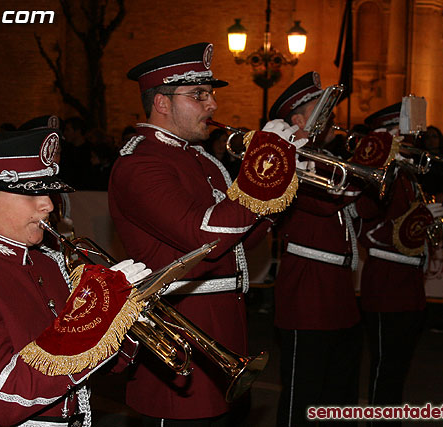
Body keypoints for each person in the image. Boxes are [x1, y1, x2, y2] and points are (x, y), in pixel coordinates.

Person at [108, 42, 302, 426]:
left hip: (223, 329)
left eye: (209, 94)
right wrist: (262, 171)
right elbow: (204, 236)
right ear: (162, 102)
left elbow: (237, 245)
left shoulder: (200, 159)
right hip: (181, 330)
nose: (212, 105)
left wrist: (279, 181)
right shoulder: (141, 163)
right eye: (198, 95)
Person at [0, 128, 150, 426]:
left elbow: (106, 366)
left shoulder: (49, 262)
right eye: (32, 192)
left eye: (47, 192)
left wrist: (122, 321)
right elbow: (3, 399)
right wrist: (92, 319)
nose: (49, 205)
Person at [268, 71, 364, 426]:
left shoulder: (322, 155)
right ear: (296, 119)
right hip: (307, 285)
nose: (331, 116)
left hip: (338, 284)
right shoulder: (287, 157)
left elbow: (362, 212)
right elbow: (324, 202)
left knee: (339, 392)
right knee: (303, 393)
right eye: (320, 108)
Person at [354, 106, 441, 425]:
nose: (409, 138)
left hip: (409, 280)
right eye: (401, 133)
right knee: (385, 368)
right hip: (387, 280)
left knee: (399, 365)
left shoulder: (406, 172)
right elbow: (364, 222)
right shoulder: (382, 170)